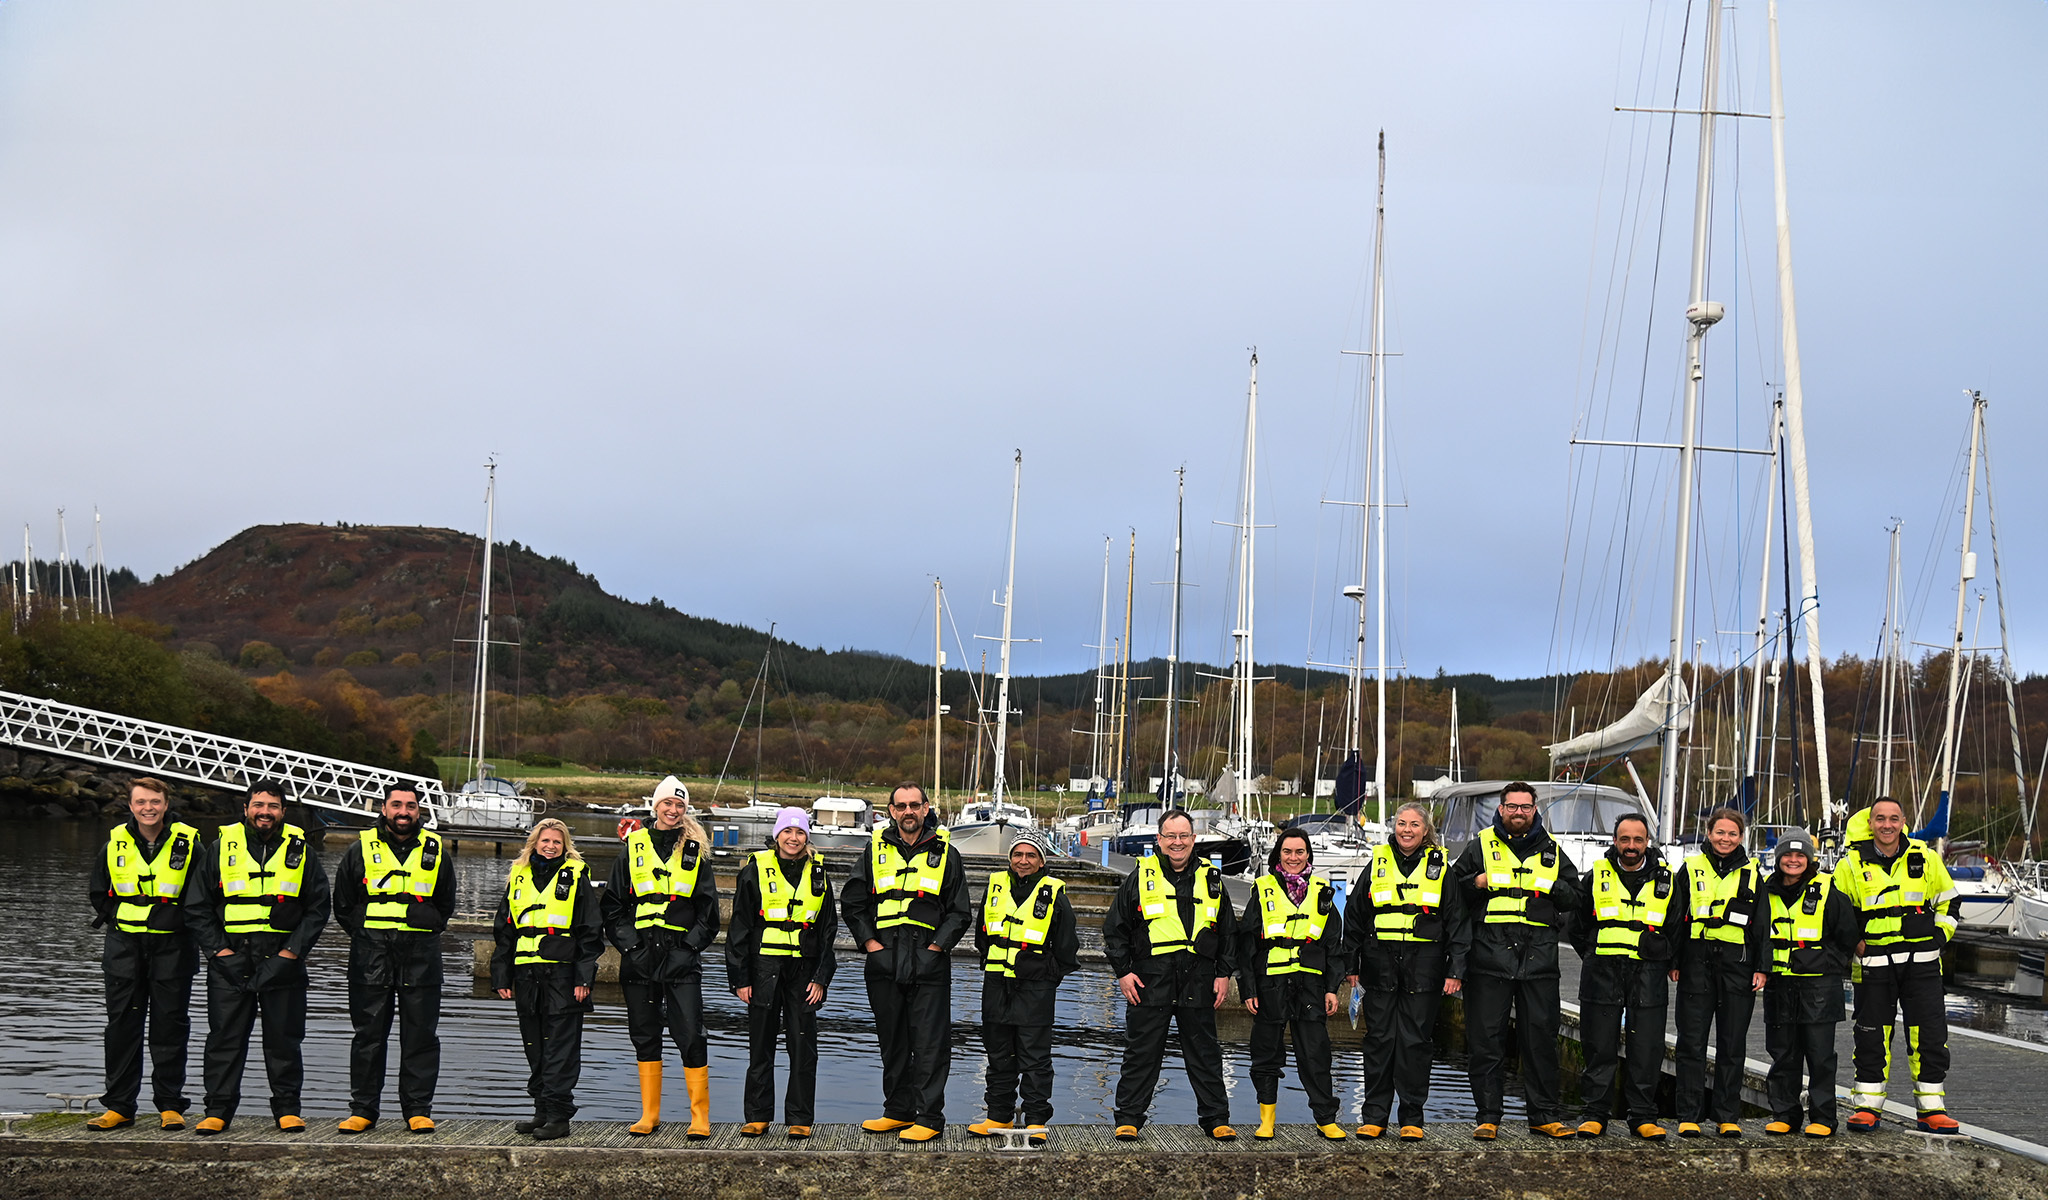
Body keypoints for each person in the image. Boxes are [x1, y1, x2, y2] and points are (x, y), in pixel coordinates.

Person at [185, 779, 332, 1135]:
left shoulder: (303, 851)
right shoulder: (220, 848)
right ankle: (217, 1110)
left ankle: (287, 1109)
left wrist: (290, 953)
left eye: (273, 806)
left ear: (283, 811)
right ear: (246, 808)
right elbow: (197, 906)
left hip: (283, 960)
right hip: (231, 958)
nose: (265, 812)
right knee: (224, 1038)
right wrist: (220, 952)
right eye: (258, 805)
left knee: (284, 1038)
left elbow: (318, 908)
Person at [842, 782, 971, 1142]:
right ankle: (898, 1111)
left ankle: (929, 1118)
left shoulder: (947, 853)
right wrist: (870, 945)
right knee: (892, 1041)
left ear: (926, 808)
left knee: (930, 1044)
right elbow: (853, 903)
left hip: (928, 961)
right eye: (901, 806)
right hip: (884, 959)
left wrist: (936, 949)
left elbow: (960, 912)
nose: (908, 812)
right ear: (891, 811)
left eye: (915, 805)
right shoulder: (874, 850)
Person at [1452, 781, 1580, 1140]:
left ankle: (1543, 1116)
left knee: (1540, 1042)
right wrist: (1476, 882)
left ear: (1535, 809)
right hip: (1490, 960)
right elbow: (1453, 891)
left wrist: (1551, 888)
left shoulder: (1553, 851)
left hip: (1539, 963)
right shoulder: (1480, 847)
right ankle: (1488, 1117)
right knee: (1485, 1041)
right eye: (1512, 806)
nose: (1519, 813)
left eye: (1525, 807)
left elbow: (1575, 898)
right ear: (1502, 808)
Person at [1103, 808, 1239, 1141]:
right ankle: (1129, 1118)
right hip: (1151, 979)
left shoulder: (1211, 879)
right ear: (1159, 840)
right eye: (1170, 836)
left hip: (1199, 978)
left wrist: (1224, 975)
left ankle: (1215, 1119)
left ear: (1193, 840)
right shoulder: (1139, 876)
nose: (1177, 843)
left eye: (1183, 836)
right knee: (1141, 1052)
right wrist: (1123, 973)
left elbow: (1229, 934)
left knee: (1205, 1053)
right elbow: (1114, 929)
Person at [1834, 796, 1962, 1134]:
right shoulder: (1849, 865)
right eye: (1880, 819)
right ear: (1870, 822)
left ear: (1903, 821)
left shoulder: (1927, 858)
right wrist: (1855, 944)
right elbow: (1838, 913)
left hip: (1922, 965)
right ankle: (1867, 1106)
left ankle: (1932, 1108)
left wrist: (1938, 939)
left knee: (1930, 1036)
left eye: (1893, 818)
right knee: (1871, 1035)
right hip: (1873, 963)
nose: (1887, 825)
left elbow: (1949, 902)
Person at [332, 780, 453, 1134]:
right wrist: (367, 934)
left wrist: (425, 926)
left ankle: (417, 1109)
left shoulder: (436, 849)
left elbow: (446, 902)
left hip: (421, 955)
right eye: (397, 805)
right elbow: (343, 904)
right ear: (384, 809)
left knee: (421, 1035)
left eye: (410, 806)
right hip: (371, 953)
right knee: (368, 1035)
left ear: (419, 811)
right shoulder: (359, 849)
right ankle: (364, 1110)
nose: (403, 812)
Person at [1343, 801, 1468, 1140]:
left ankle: (1411, 1117)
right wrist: (1351, 965)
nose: (1407, 830)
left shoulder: (1441, 868)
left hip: (1424, 965)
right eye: (1401, 823)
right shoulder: (1378, 863)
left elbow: (1457, 922)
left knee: (1415, 1042)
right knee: (1379, 1040)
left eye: (1414, 824)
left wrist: (1455, 970)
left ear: (1426, 830)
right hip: (1379, 962)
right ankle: (1375, 1117)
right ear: (1393, 827)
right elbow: (1355, 916)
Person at [603, 775, 720, 1138]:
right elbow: (613, 907)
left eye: (680, 805)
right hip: (640, 958)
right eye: (667, 803)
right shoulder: (632, 848)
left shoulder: (695, 852)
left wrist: (688, 949)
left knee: (690, 1033)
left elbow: (709, 913)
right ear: (656, 806)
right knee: (645, 1033)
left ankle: (699, 1116)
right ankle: (648, 1114)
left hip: (680, 958)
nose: (673, 810)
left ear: (686, 811)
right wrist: (631, 947)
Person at [86, 778, 201, 1131]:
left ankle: (170, 1104)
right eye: (140, 802)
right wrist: (121, 919)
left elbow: (203, 894)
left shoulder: (192, 843)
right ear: (130, 806)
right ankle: (119, 1105)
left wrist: (174, 919)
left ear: (166, 804)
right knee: (121, 1028)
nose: (147, 808)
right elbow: (98, 892)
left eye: (154, 801)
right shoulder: (114, 843)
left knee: (170, 1028)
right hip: (124, 948)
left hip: (173, 947)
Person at [1570, 812, 1686, 1139]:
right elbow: (1576, 925)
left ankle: (1643, 1117)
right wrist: (1592, 955)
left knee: (1646, 1049)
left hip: (1648, 974)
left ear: (1647, 842)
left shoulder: (1666, 879)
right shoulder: (1596, 876)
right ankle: (1595, 1114)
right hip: (1602, 973)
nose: (1631, 846)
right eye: (1625, 839)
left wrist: (1664, 959)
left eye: (1638, 839)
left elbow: (1676, 928)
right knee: (1598, 1047)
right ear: (1615, 841)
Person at [726, 806, 838, 1139]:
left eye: (800, 832)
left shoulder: (819, 872)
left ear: (807, 837)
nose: (793, 838)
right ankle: (758, 1115)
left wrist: (821, 977)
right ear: (777, 835)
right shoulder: (755, 870)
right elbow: (740, 927)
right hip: (764, 968)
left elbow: (828, 929)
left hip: (804, 970)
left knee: (803, 1046)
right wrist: (740, 978)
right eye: (787, 832)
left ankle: (800, 1117)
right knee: (760, 1045)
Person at [491, 817, 601, 1141]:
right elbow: (504, 931)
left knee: (561, 1049)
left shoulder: (577, 876)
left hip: (563, 974)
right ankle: (541, 1111)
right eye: (545, 841)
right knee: (534, 1046)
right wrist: (502, 975)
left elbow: (590, 931)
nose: (550, 846)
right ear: (534, 844)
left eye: (557, 841)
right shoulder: (518, 876)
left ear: (565, 846)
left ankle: (559, 1116)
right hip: (526, 974)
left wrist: (584, 978)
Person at [968, 837, 1079, 1142]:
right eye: (1017, 854)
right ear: (1010, 858)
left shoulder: (1053, 892)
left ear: (1041, 861)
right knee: (999, 1055)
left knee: (1035, 1058)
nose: (1023, 860)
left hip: (1035, 987)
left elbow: (1068, 945)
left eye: (1031, 855)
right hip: (995, 983)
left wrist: (1046, 974)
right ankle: (998, 1116)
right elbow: (982, 934)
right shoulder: (996, 887)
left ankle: (1036, 1120)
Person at [1238, 828, 1345, 1141]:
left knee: (1316, 1054)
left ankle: (1325, 1119)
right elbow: (1247, 946)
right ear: (1279, 855)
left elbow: (1333, 945)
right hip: (1271, 983)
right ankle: (1267, 1119)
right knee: (1266, 1053)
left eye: (1300, 852)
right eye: (1287, 852)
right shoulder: (1263, 890)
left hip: (1310, 984)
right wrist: (1248, 989)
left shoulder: (1323, 893)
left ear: (1308, 854)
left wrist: (1331, 988)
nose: (1294, 858)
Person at [1752, 828, 1856, 1137]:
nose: (1793, 860)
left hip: (1819, 988)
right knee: (1783, 1053)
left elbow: (1847, 936)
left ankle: (1823, 1118)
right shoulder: (1765, 892)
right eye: (1788, 855)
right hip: (1780, 985)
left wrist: (1825, 964)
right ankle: (1785, 1114)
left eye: (1800, 855)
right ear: (1779, 857)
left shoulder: (1828, 890)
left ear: (1809, 859)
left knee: (1820, 1056)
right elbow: (1757, 935)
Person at [1673, 806, 1764, 1137]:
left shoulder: (1753, 874)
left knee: (1732, 1044)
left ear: (1741, 837)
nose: (1726, 839)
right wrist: (1674, 962)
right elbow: (1675, 918)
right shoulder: (1690, 868)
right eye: (1720, 832)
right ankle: (1689, 1115)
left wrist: (1761, 968)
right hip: (1697, 962)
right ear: (1709, 834)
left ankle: (1727, 1115)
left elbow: (1762, 926)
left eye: (1733, 833)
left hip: (1737, 964)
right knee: (1691, 1043)